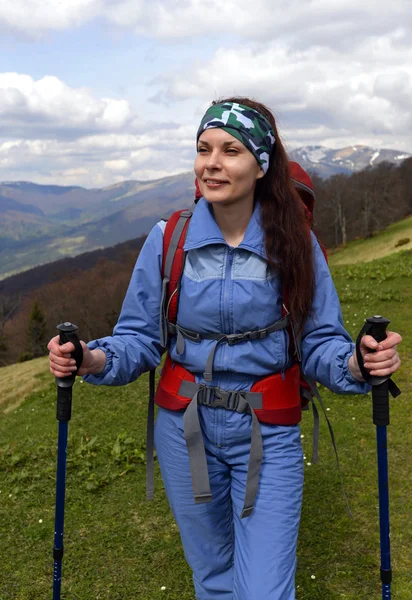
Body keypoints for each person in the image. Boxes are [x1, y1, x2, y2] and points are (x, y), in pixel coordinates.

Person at [48, 97, 402, 600]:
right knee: (213, 579)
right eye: (203, 148)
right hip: (183, 429)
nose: (211, 162)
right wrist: (90, 359)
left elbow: (321, 342)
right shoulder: (169, 239)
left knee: (263, 590)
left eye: (230, 150)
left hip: (268, 430)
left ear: (261, 164)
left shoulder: (295, 243)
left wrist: (358, 364)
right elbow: (140, 339)